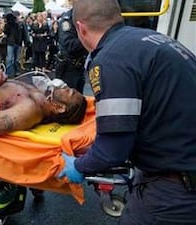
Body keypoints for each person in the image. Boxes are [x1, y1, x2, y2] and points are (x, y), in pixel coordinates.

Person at [59, 0, 196, 224]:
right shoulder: (151, 41)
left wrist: (79, 166)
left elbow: (112, 150)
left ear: (81, 28)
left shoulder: (111, 59)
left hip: (176, 189)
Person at [55, 0, 87, 93]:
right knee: (70, 100)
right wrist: (89, 38)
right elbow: (70, 45)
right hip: (69, 67)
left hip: (79, 65)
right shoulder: (68, 19)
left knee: (79, 98)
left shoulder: (82, 17)